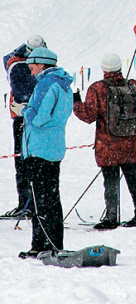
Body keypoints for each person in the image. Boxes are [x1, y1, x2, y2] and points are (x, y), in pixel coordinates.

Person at [72, 52, 136, 229]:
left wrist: (76, 103)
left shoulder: (98, 88)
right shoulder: (133, 85)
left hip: (109, 143)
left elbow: (88, 115)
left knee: (111, 180)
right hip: (130, 141)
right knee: (133, 177)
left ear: (104, 69)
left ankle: (112, 215)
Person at [19, 46, 73, 259]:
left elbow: (39, 117)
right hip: (54, 146)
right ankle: (54, 242)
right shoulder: (64, 84)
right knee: (52, 197)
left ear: (41, 64)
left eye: (31, 63)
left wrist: (23, 110)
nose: (30, 68)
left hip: (39, 148)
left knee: (39, 198)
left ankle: (40, 245)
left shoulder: (45, 84)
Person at [2, 35, 46, 219]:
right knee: (24, 159)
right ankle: (28, 203)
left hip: (27, 116)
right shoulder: (18, 65)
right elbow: (23, 93)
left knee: (30, 159)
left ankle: (33, 202)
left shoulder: (21, 60)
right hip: (23, 116)